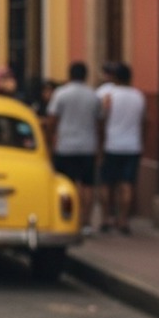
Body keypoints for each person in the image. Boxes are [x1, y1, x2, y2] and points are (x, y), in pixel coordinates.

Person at [46, 62, 102, 235]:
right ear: (86, 76)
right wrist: (99, 146)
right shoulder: (94, 96)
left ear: (69, 75)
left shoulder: (61, 94)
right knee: (87, 185)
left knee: (65, 185)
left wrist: (51, 139)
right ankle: (86, 222)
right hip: (88, 146)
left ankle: (68, 219)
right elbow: (99, 123)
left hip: (65, 146)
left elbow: (52, 119)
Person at [100, 62, 146, 234]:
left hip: (112, 145)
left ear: (115, 77)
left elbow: (102, 119)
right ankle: (123, 220)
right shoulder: (139, 96)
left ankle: (106, 218)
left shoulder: (108, 96)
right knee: (127, 185)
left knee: (107, 184)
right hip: (132, 146)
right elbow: (144, 121)